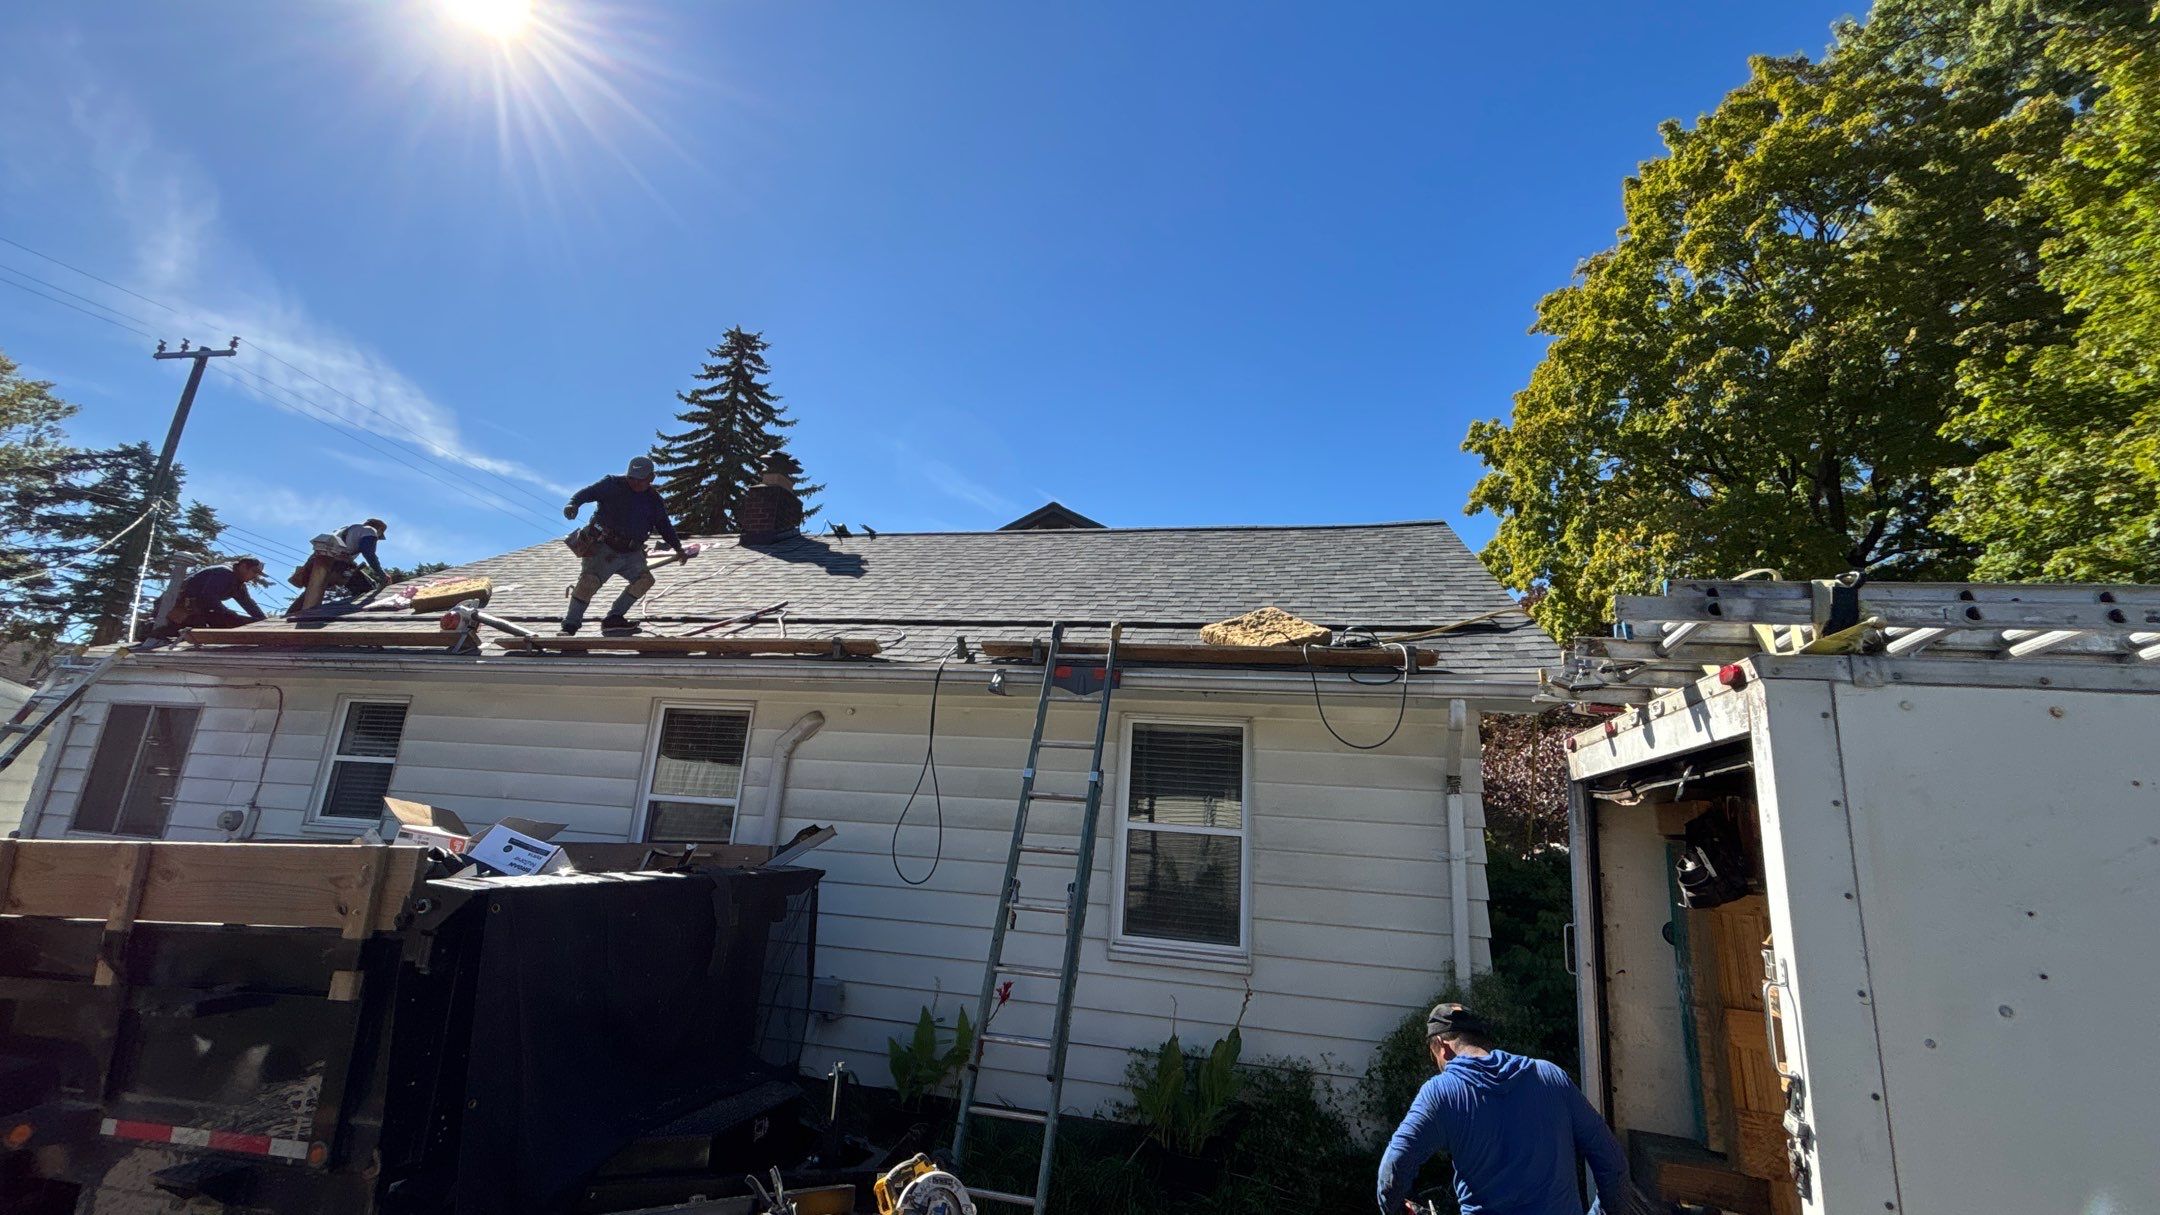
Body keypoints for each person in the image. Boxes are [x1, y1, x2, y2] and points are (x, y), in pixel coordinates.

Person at [1377, 1003, 1630, 1215]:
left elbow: (1394, 1169)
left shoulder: (1441, 1092)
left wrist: (1397, 1210)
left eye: (1436, 1060)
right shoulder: (1551, 1076)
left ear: (1442, 1046)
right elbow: (1612, 1162)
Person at [560, 455, 686, 634]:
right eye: (631, 478)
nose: (634, 483)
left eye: (639, 480)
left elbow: (664, 526)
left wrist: (678, 548)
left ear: (651, 478)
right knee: (589, 581)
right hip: (604, 547)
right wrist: (573, 504)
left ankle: (614, 619)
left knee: (644, 580)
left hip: (631, 552)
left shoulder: (654, 501)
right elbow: (587, 493)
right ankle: (570, 625)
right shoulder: (612, 484)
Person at [154, 556, 271, 638]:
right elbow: (208, 597)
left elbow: (249, 604)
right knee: (205, 627)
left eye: (257, 574)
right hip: (173, 606)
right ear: (243, 566)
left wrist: (265, 622)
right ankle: (156, 632)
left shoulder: (237, 583)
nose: (254, 576)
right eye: (254, 571)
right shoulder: (224, 573)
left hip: (193, 608)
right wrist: (230, 616)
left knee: (223, 621)